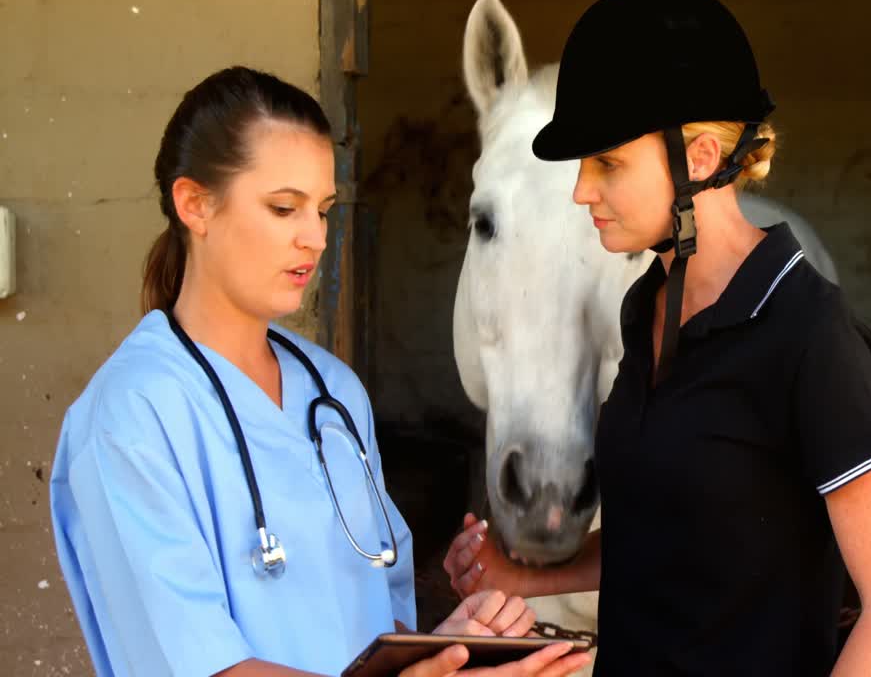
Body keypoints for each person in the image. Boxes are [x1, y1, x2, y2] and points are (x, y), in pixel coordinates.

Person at [443, 0, 871, 676]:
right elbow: (673, 537)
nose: (583, 190)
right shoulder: (646, 310)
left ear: (698, 158)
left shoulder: (805, 330)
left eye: (607, 163)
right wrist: (522, 577)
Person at [49, 66, 591, 677]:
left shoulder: (332, 391)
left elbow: (372, 632)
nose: (315, 238)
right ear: (194, 204)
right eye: (284, 209)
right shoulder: (129, 419)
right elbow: (195, 666)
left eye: (324, 211)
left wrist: (455, 648)